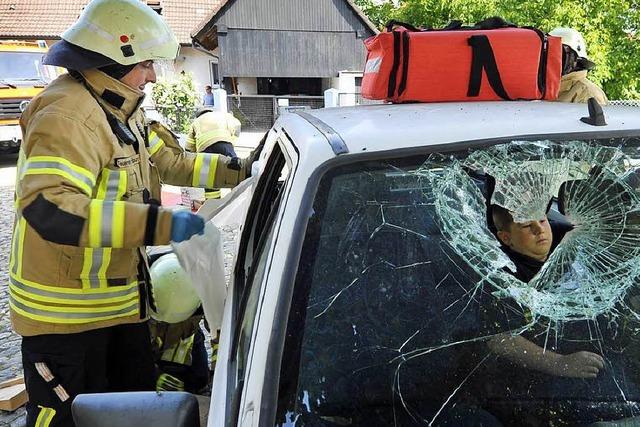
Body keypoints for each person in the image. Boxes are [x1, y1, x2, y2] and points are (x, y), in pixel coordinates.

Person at [11, 0, 258, 425]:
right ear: (111, 58)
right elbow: (49, 208)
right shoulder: (67, 115)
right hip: (66, 318)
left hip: (118, 306)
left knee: (130, 411)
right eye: (145, 63)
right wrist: (161, 224)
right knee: (68, 417)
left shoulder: (121, 108)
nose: (152, 75)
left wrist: (250, 167)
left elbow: (176, 163)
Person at [185, 108, 241, 199]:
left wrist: (191, 160)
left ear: (198, 115)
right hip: (224, 144)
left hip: (205, 149)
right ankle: (238, 197)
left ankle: (212, 204)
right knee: (234, 170)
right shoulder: (222, 115)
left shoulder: (196, 122)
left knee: (208, 179)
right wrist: (231, 142)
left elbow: (189, 146)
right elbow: (237, 125)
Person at [549, 27, 608, 105]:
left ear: (575, 59)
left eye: (560, 53)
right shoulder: (544, 89)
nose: (553, 59)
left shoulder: (587, 93)